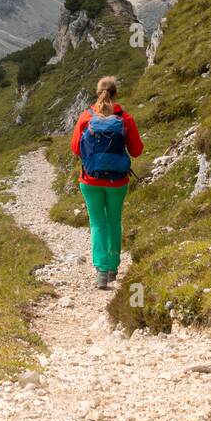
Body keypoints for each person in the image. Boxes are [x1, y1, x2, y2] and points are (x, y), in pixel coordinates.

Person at [70, 75, 144, 289]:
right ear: (116, 94)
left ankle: (101, 272)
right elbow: (137, 151)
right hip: (118, 181)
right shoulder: (125, 118)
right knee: (114, 221)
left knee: (97, 223)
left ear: (98, 93)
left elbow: (75, 148)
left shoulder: (86, 117)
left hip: (90, 179)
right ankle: (113, 268)